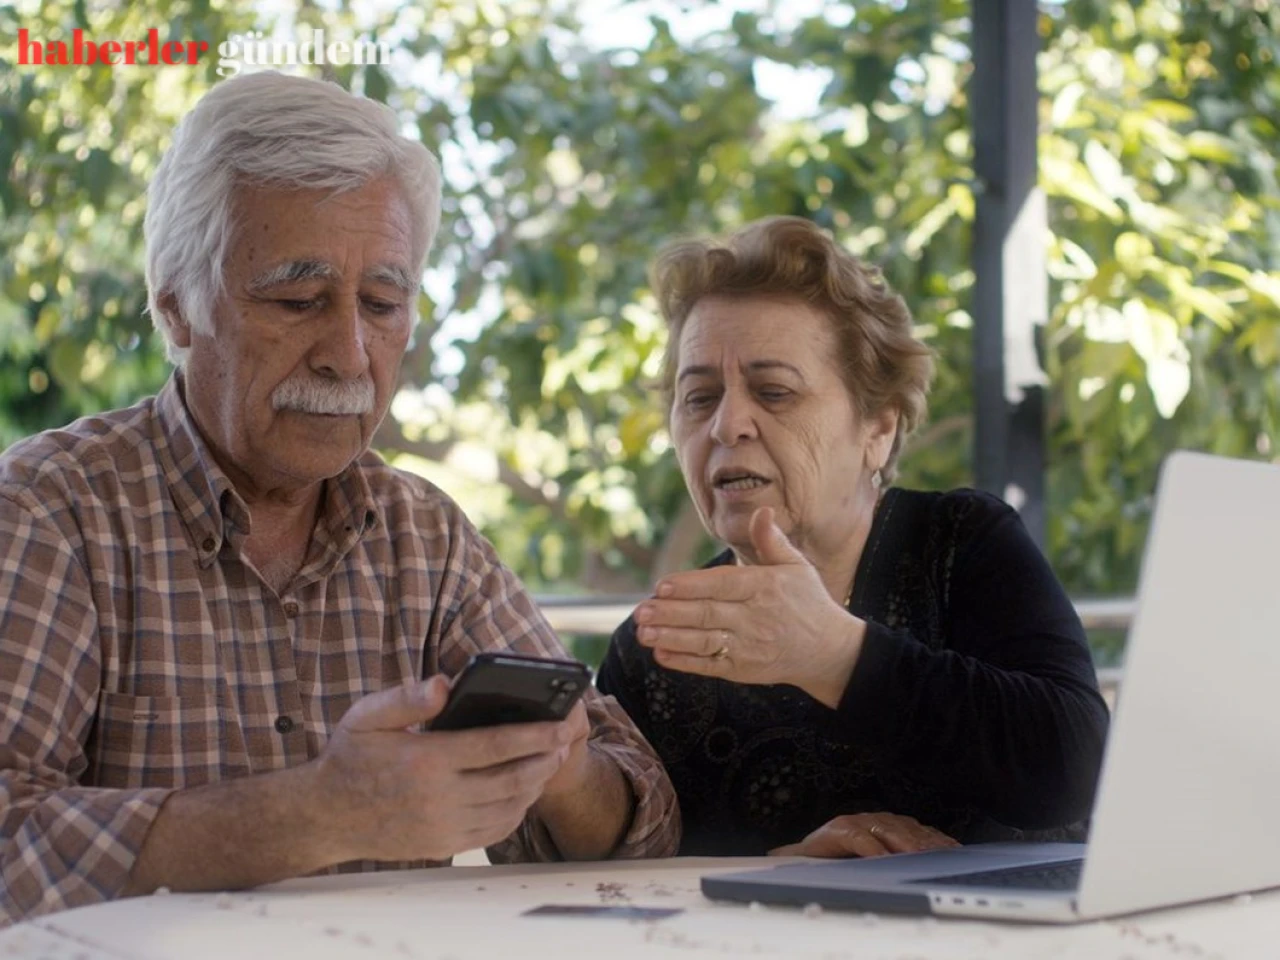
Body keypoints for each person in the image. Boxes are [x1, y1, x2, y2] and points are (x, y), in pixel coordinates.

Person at [0, 72, 678, 926]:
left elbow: (644, 832)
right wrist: (318, 813)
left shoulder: (423, 537)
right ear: (176, 308)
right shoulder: (50, 511)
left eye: (384, 304)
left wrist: (559, 765)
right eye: (297, 300)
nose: (350, 355)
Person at [597, 216, 1109, 859]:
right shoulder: (655, 647)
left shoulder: (961, 544)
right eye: (698, 398)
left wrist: (833, 654)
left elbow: (1074, 772)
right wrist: (778, 872)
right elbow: (632, 883)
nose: (729, 425)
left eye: (774, 391)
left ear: (878, 429)